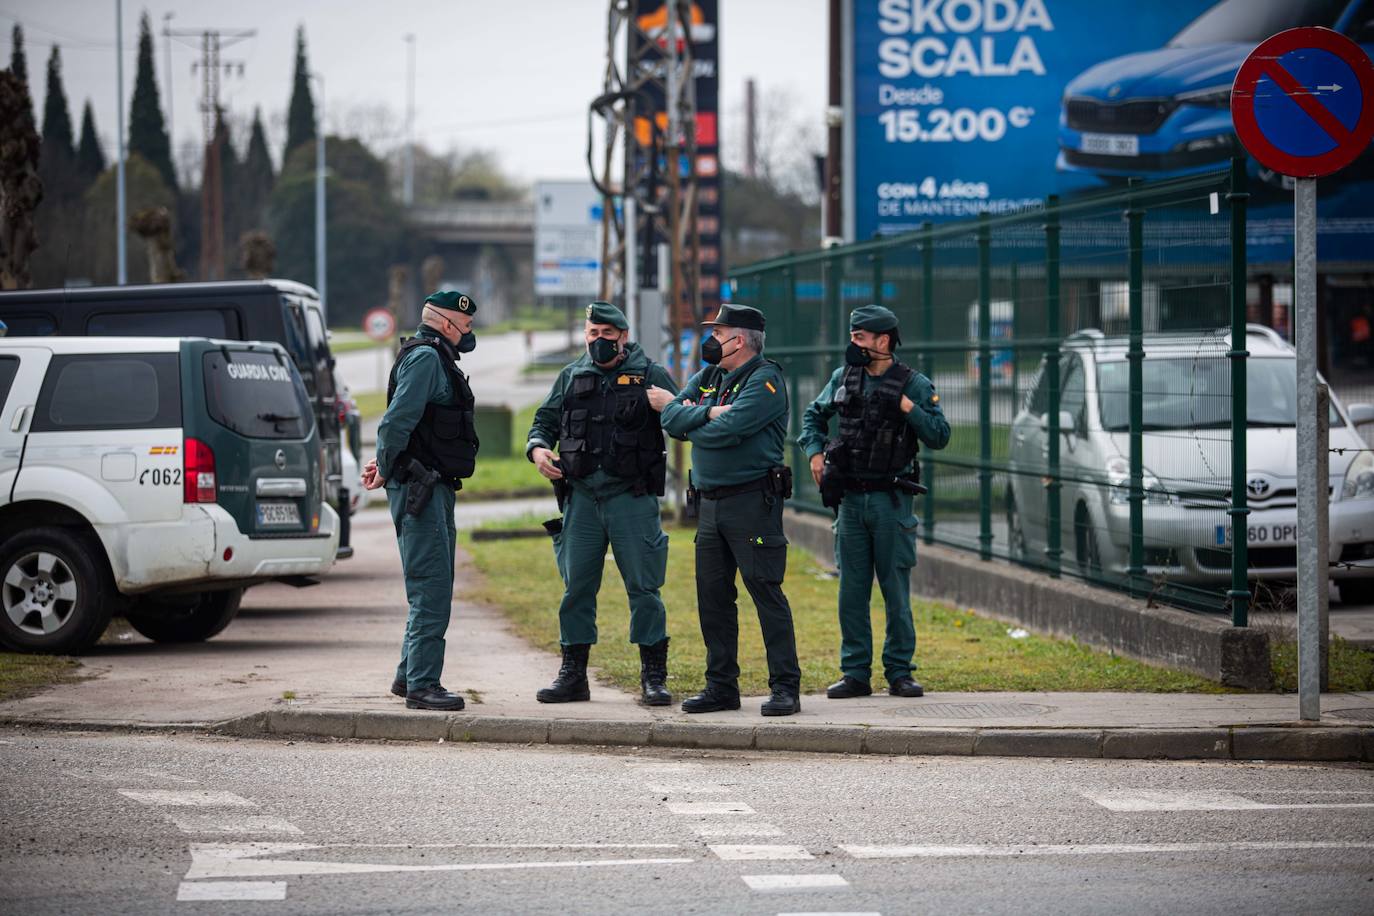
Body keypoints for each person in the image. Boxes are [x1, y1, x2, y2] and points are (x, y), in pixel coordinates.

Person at [647, 303, 802, 717]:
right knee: (713, 598)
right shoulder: (711, 377)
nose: (711, 340)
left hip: (752, 503)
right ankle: (721, 686)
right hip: (711, 505)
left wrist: (693, 417)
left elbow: (725, 432)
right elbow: (672, 423)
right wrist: (709, 411)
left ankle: (786, 687)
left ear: (741, 340)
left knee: (765, 592)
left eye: (719, 333)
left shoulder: (765, 380)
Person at [525, 301, 678, 706]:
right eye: (592, 334)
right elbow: (542, 423)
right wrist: (538, 451)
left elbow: (682, 420)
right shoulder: (571, 376)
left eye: (606, 335)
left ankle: (653, 676)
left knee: (644, 589)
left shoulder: (650, 374)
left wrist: (676, 408)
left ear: (623, 337)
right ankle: (573, 675)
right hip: (582, 500)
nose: (598, 342)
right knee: (576, 589)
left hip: (631, 499)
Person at [797, 304, 950, 700]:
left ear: (883, 341)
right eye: (852, 336)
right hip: (849, 500)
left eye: (860, 337)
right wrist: (815, 453)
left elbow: (939, 434)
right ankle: (855, 674)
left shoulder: (912, 383)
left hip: (891, 501)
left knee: (895, 591)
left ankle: (900, 672)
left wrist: (908, 407)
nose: (853, 343)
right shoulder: (842, 377)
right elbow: (813, 417)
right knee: (851, 591)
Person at [361, 290, 480, 711]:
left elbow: (404, 429)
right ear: (446, 324)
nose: (469, 332)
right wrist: (386, 466)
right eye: (464, 325)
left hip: (431, 485)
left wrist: (385, 465)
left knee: (434, 583)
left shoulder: (434, 357)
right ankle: (423, 686)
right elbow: (395, 422)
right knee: (430, 587)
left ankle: (407, 674)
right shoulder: (428, 358)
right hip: (421, 489)